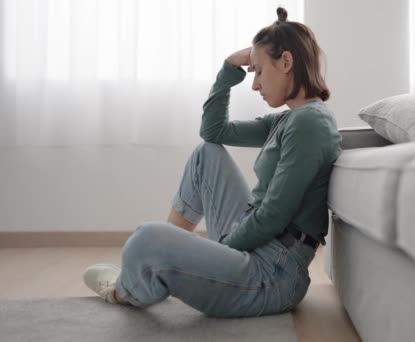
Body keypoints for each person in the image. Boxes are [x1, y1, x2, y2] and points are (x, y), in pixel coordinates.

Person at [82, 7, 342, 318]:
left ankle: (126, 290)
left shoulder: (310, 123)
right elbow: (214, 131)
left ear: (286, 62)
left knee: (147, 238)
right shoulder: (289, 120)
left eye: (258, 71)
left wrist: (222, 249)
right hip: (256, 243)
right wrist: (228, 67)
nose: (255, 84)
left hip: (272, 274)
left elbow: (274, 215)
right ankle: (161, 265)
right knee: (207, 154)